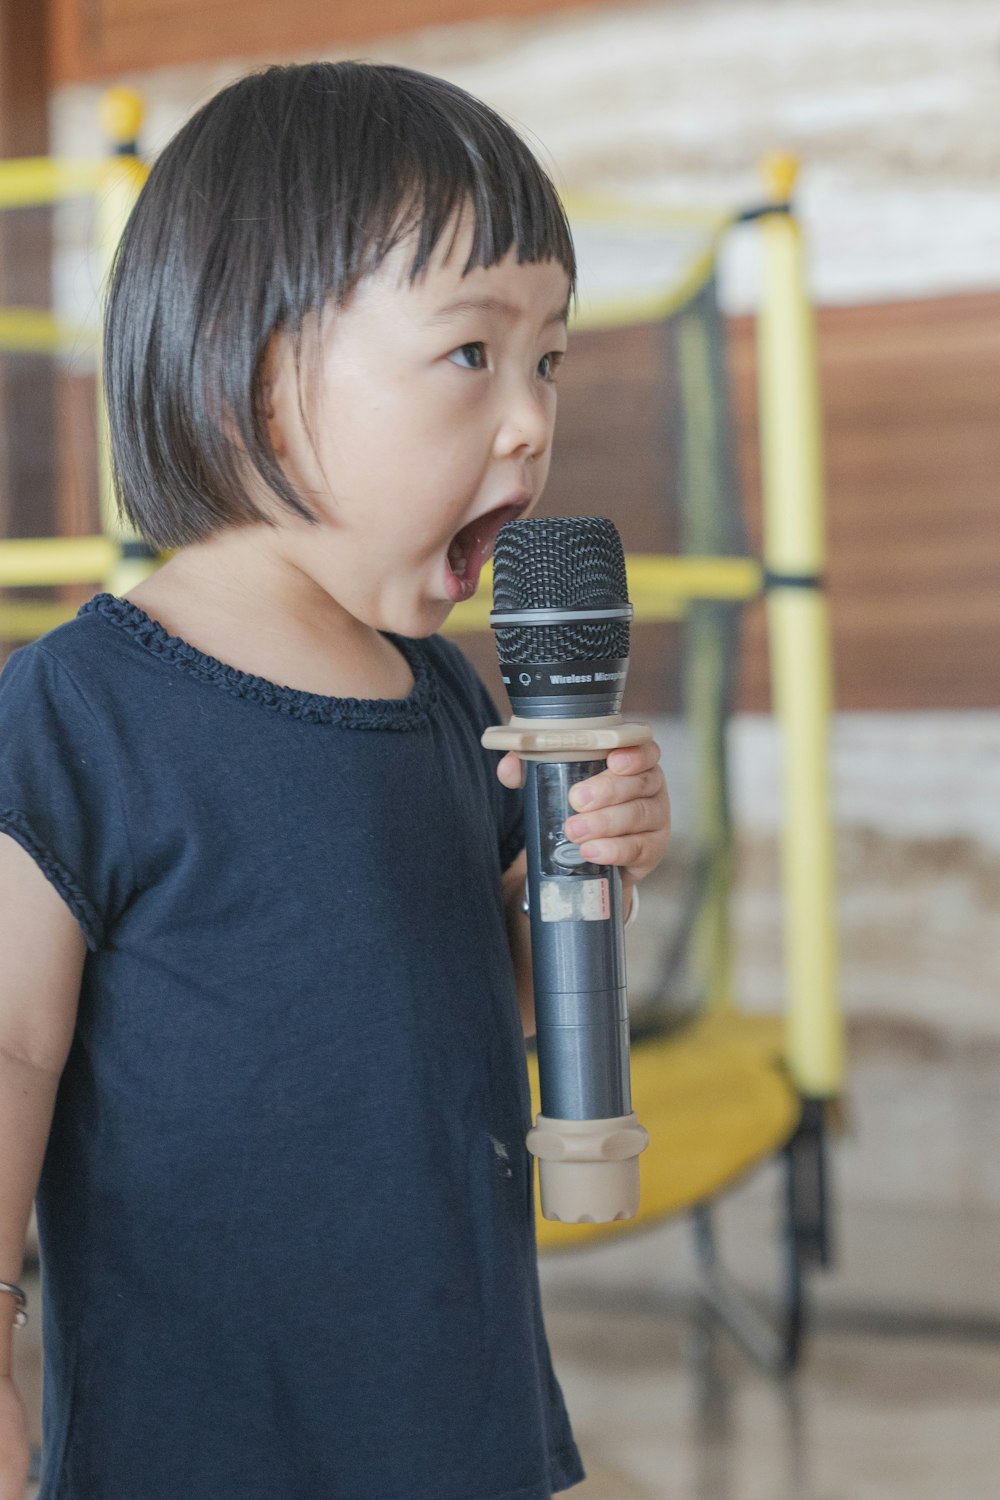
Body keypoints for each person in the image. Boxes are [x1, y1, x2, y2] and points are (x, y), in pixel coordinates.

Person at [0, 62, 670, 1500]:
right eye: (472, 354)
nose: (531, 423)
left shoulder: (449, 698)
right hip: (199, 1446)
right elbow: (11, 1047)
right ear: (262, 375)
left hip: (458, 1421)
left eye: (549, 359)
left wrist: (593, 862)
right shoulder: (81, 708)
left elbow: (488, 987)